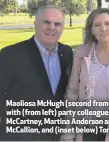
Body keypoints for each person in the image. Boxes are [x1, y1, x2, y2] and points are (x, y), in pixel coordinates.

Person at [61, 8, 109, 141]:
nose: (103, 29)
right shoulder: (81, 54)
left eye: (107, 24)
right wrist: (68, 132)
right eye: (97, 25)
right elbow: (72, 93)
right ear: (91, 30)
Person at [0, 5, 73, 141]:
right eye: (46, 22)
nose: (52, 27)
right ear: (35, 24)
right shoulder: (11, 54)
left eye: (57, 24)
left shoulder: (67, 53)